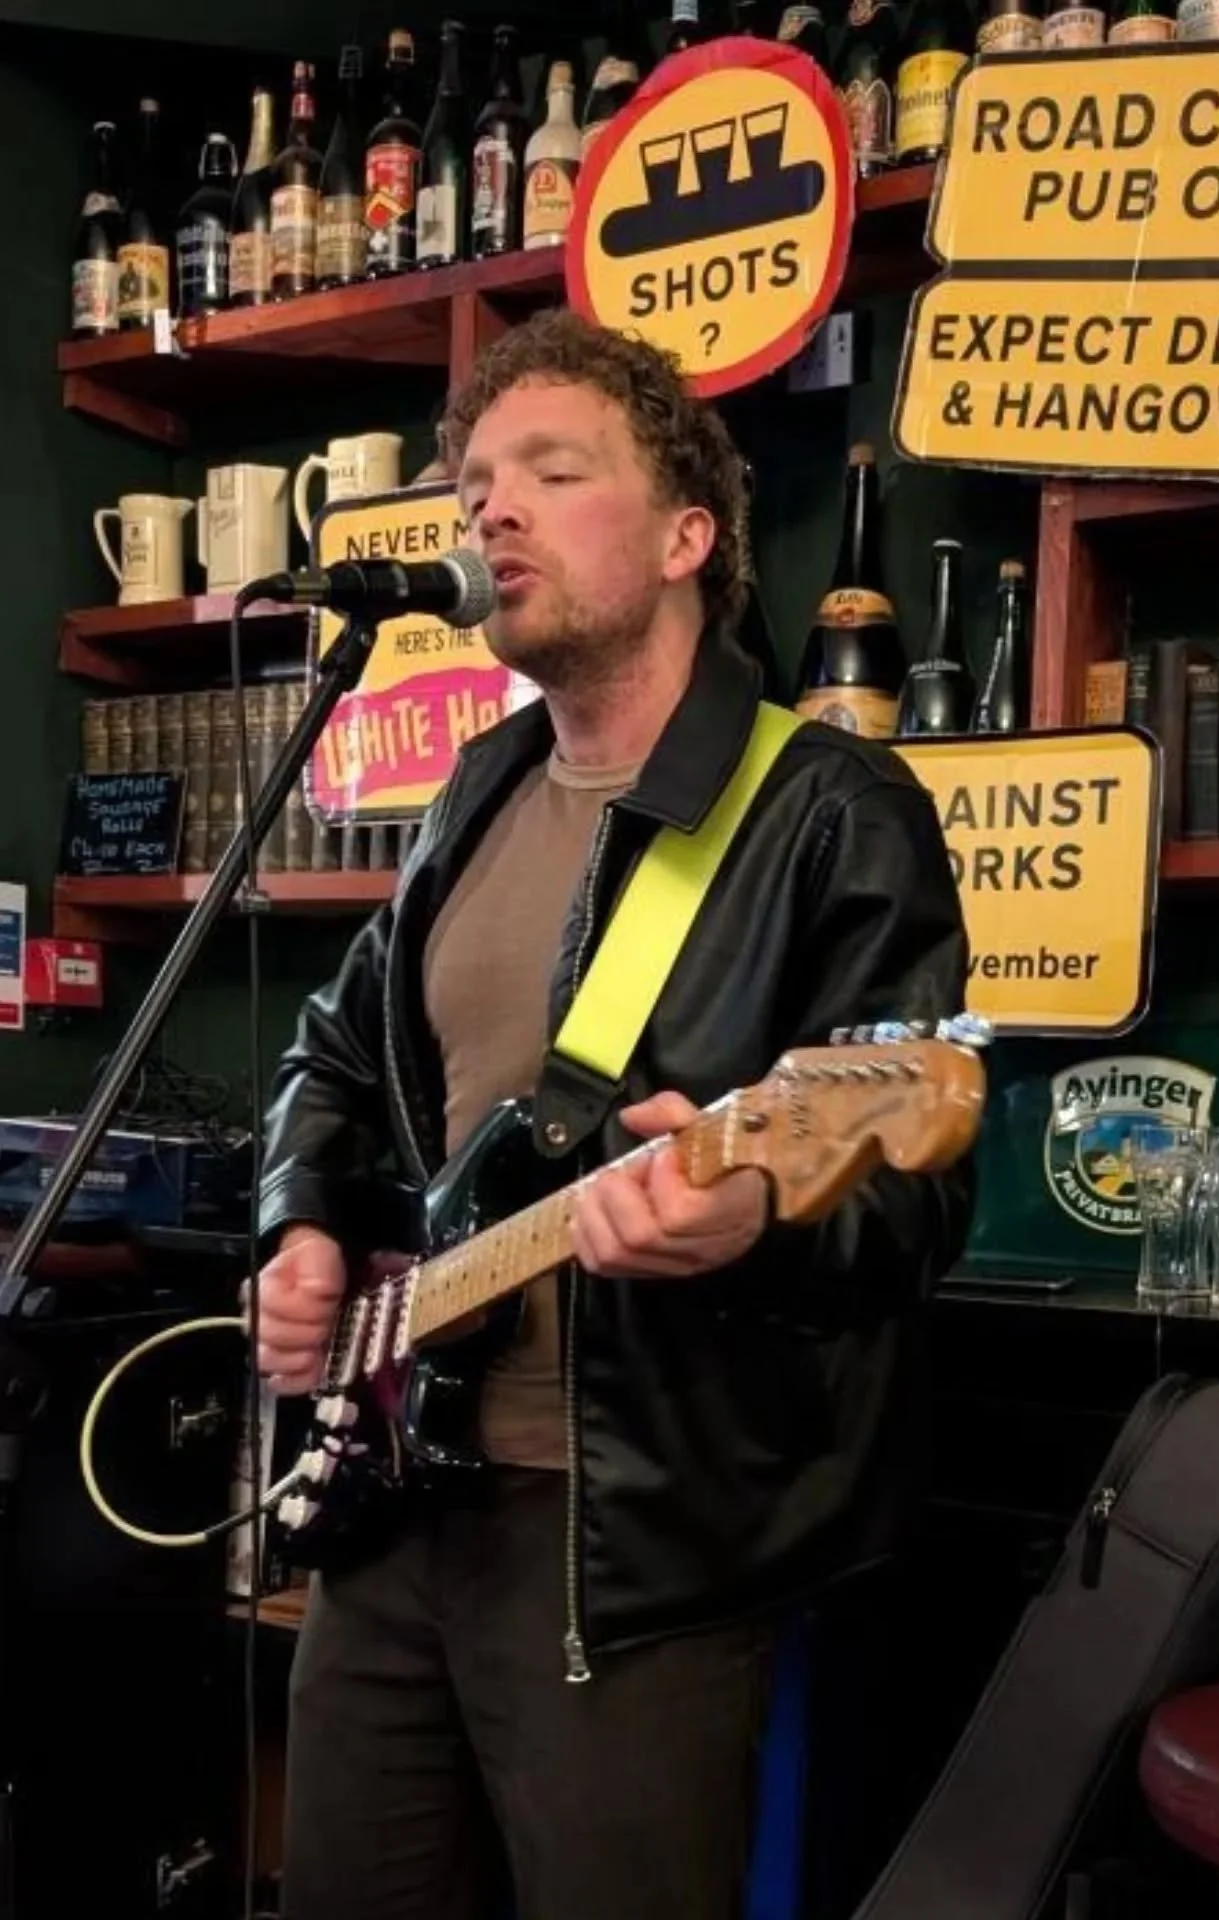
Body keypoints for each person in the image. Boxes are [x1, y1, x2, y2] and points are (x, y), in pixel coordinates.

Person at [254, 309, 972, 1920]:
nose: (488, 512)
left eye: (552, 472)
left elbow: (921, 1193)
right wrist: (300, 1219)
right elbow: (337, 1054)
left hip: (628, 1549)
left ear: (685, 537)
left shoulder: (829, 814)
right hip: (395, 1502)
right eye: (473, 486)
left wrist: (758, 1214)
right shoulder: (480, 787)